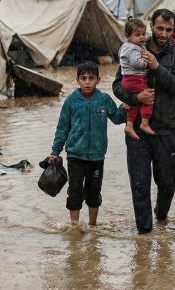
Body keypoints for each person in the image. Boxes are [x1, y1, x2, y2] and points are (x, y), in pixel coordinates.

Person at [112, 8, 175, 235]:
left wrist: (157, 67)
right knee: (139, 183)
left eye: (169, 29)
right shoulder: (134, 48)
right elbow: (118, 84)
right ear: (152, 27)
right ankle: (144, 234)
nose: (164, 34)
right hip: (137, 129)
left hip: (166, 127)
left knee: (167, 182)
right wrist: (136, 98)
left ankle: (161, 216)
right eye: (160, 28)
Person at [48, 61, 127, 227]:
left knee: (94, 192)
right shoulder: (71, 101)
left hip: (97, 157)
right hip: (75, 156)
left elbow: (117, 118)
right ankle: (75, 227)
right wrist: (55, 151)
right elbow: (62, 129)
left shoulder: (104, 99)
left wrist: (125, 108)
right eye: (83, 78)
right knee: (75, 192)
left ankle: (92, 227)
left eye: (91, 78)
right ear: (77, 80)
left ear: (98, 79)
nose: (87, 82)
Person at [119, 18, 156, 139]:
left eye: (143, 34)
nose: (142, 37)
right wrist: (148, 63)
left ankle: (129, 125)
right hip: (135, 79)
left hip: (128, 80)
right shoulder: (133, 48)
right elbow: (136, 63)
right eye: (137, 35)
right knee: (149, 97)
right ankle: (144, 123)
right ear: (128, 36)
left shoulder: (128, 46)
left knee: (133, 103)